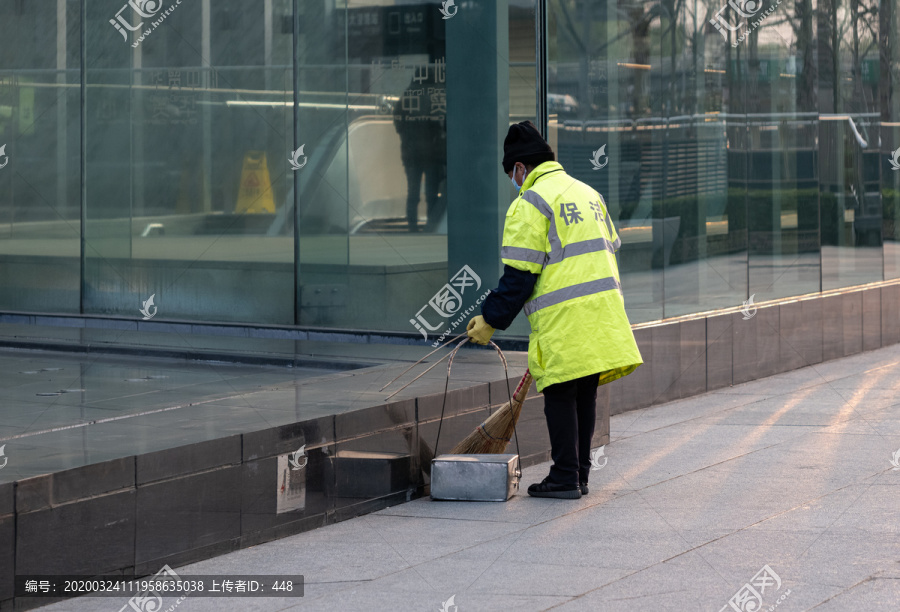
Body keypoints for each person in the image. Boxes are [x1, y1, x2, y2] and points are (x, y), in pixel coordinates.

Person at [467, 121, 643, 499]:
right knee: (584, 393)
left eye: (511, 173)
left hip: (566, 318)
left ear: (520, 167)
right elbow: (609, 246)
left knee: (561, 394)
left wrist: (490, 319)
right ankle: (578, 475)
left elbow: (520, 276)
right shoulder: (587, 192)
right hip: (602, 314)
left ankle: (564, 477)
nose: (512, 181)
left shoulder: (530, 203)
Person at [393, 73, 447, 232]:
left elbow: (398, 124)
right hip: (431, 154)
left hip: (411, 154)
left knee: (413, 193)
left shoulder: (405, 99)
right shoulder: (432, 98)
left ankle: (412, 228)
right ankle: (431, 227)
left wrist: (409, 137)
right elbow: (439, 124)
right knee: (431, 194)